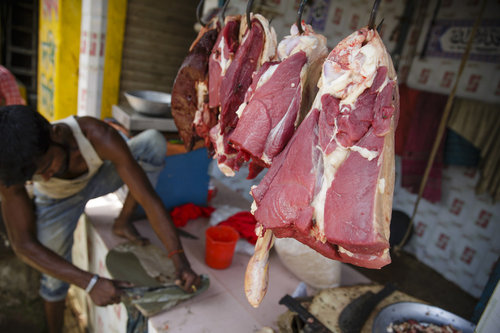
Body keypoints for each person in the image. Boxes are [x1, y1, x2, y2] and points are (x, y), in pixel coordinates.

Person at [0, 105, 201, 333]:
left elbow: (149, 200)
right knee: (53, 277)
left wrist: (179, 258)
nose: (45, 177)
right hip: (56, 202)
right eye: (35, 177)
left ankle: (122, 222)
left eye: (47, 166)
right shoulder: (11, 168)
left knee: (153, 142)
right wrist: (90, 282)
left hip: (97, 180)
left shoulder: (97, 135)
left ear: (56, 133)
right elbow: (23, 245)